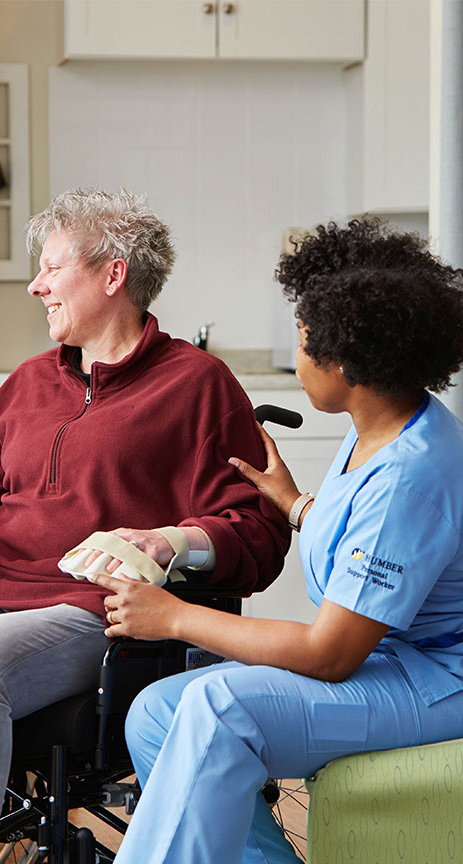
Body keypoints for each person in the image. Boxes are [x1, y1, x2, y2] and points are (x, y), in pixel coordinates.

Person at [0, 187, 290, 864]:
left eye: (50, 267)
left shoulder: (197, 385)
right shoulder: (25, 385)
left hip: (90, 609)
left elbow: (258, 533)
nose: (36, 286)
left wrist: (170, 541)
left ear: (112, 274)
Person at [92, 218, 463, 864]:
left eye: (302, 341)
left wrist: (176, 617)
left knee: (217, 704)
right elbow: (364, 549)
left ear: (346, 359)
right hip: (392, 658)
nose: (296, 358)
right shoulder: (377, 422)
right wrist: (294, 503)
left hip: (435, 681)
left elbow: (329, 656)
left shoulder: (412, 472)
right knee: (155, 715)